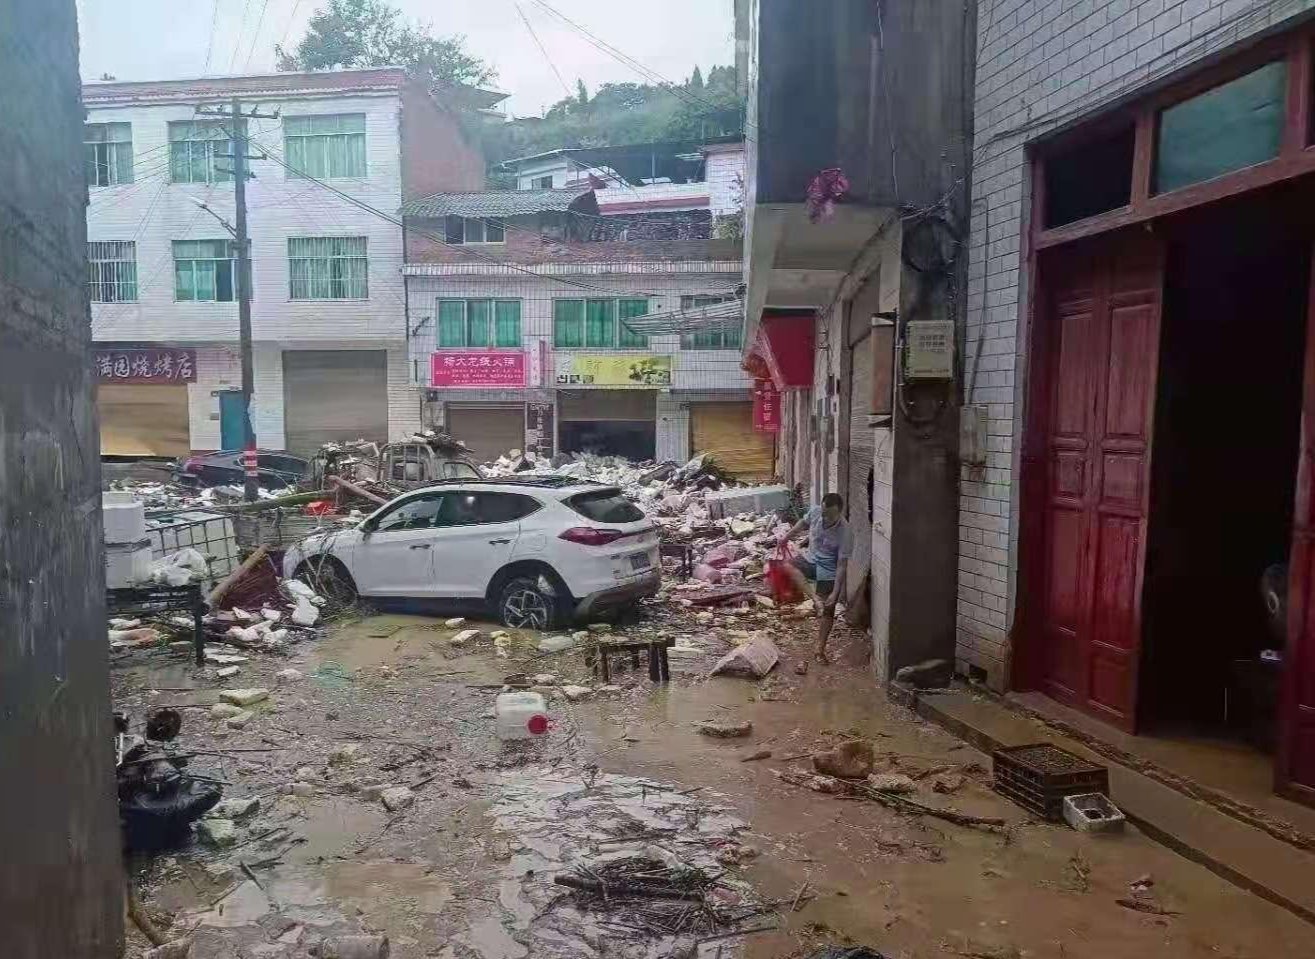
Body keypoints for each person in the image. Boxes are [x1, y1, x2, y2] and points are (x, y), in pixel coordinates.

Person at [777, 492, 850, 663]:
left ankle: (820, 649)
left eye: (829, 515)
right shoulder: (817, 511)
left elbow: (842, 565)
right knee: (788, 565)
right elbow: (803, 523)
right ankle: (814, 598)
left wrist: (836, 592)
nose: (824, 517)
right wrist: (785, 538)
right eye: (823, 513)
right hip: (810, 559)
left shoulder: (846, 533)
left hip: (829, 569)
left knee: (828, 609)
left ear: (839, 512)